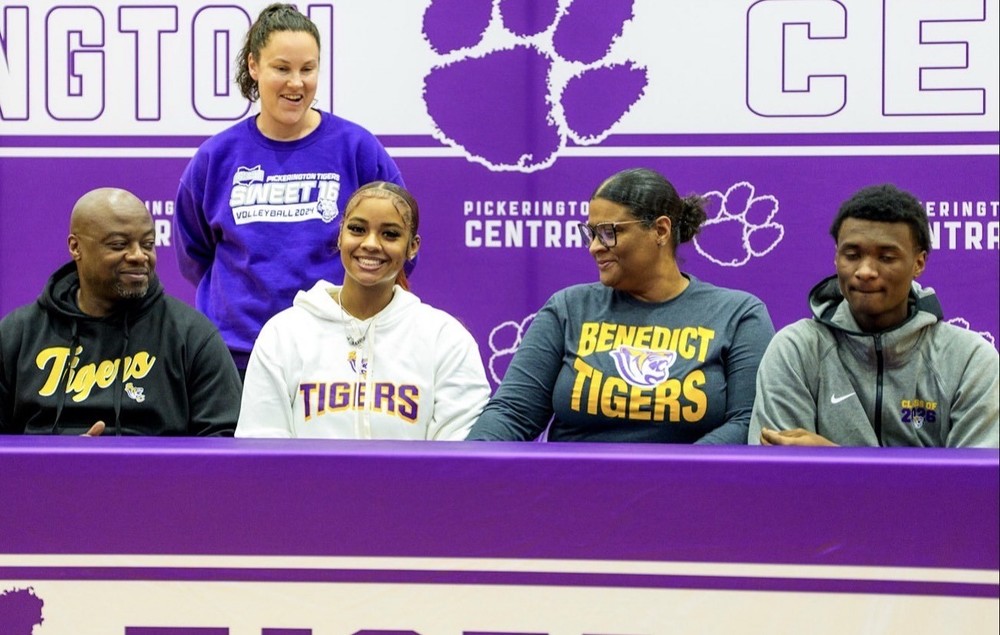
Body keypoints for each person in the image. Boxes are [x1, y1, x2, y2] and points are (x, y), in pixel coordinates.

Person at [174, 3, 406, 377]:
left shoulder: (357, 149)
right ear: (254, 66)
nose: (296, 83)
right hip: (235, 356)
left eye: (307, 69)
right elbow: (194, 254)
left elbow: (398, 241)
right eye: (281, 68)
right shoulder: (215, 157)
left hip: (337, 351)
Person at [467, 168, 775, 443]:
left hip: (689, 494)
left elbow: (747, 422)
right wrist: (464, 466)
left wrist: (671, 476)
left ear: (661, 230)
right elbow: (513, 413)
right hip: (572, 492)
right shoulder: (568, 308)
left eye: (609, 232)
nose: (594, 247)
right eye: (591, 233)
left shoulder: (738, 314)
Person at [749, 184, 999, 447]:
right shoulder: (795, 351)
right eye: (852, 255)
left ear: (919, 263)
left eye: (887, 257)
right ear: (836, 258)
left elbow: (978, 485)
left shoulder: (970, 360)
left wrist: (831, 458)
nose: (866, 271)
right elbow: (779, 480)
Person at [235, 182, 490, 439]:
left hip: (413, 482)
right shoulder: (284, 334)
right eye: (357, 229)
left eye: (390, 234)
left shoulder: (446, 340)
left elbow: (458, 458)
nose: (370, 244)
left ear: (413, 246)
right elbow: (261, 449)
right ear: (340, 235)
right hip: (307, 482)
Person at [0, 187, 242, 436]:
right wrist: (64, 462)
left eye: (148, 244)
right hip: (40, 475)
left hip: (158, 475)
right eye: (119, 245)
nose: (139, 256)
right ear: (75, 247)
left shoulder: (192, 337)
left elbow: (223, 445)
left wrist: (120, 468)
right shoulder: (16, 335)